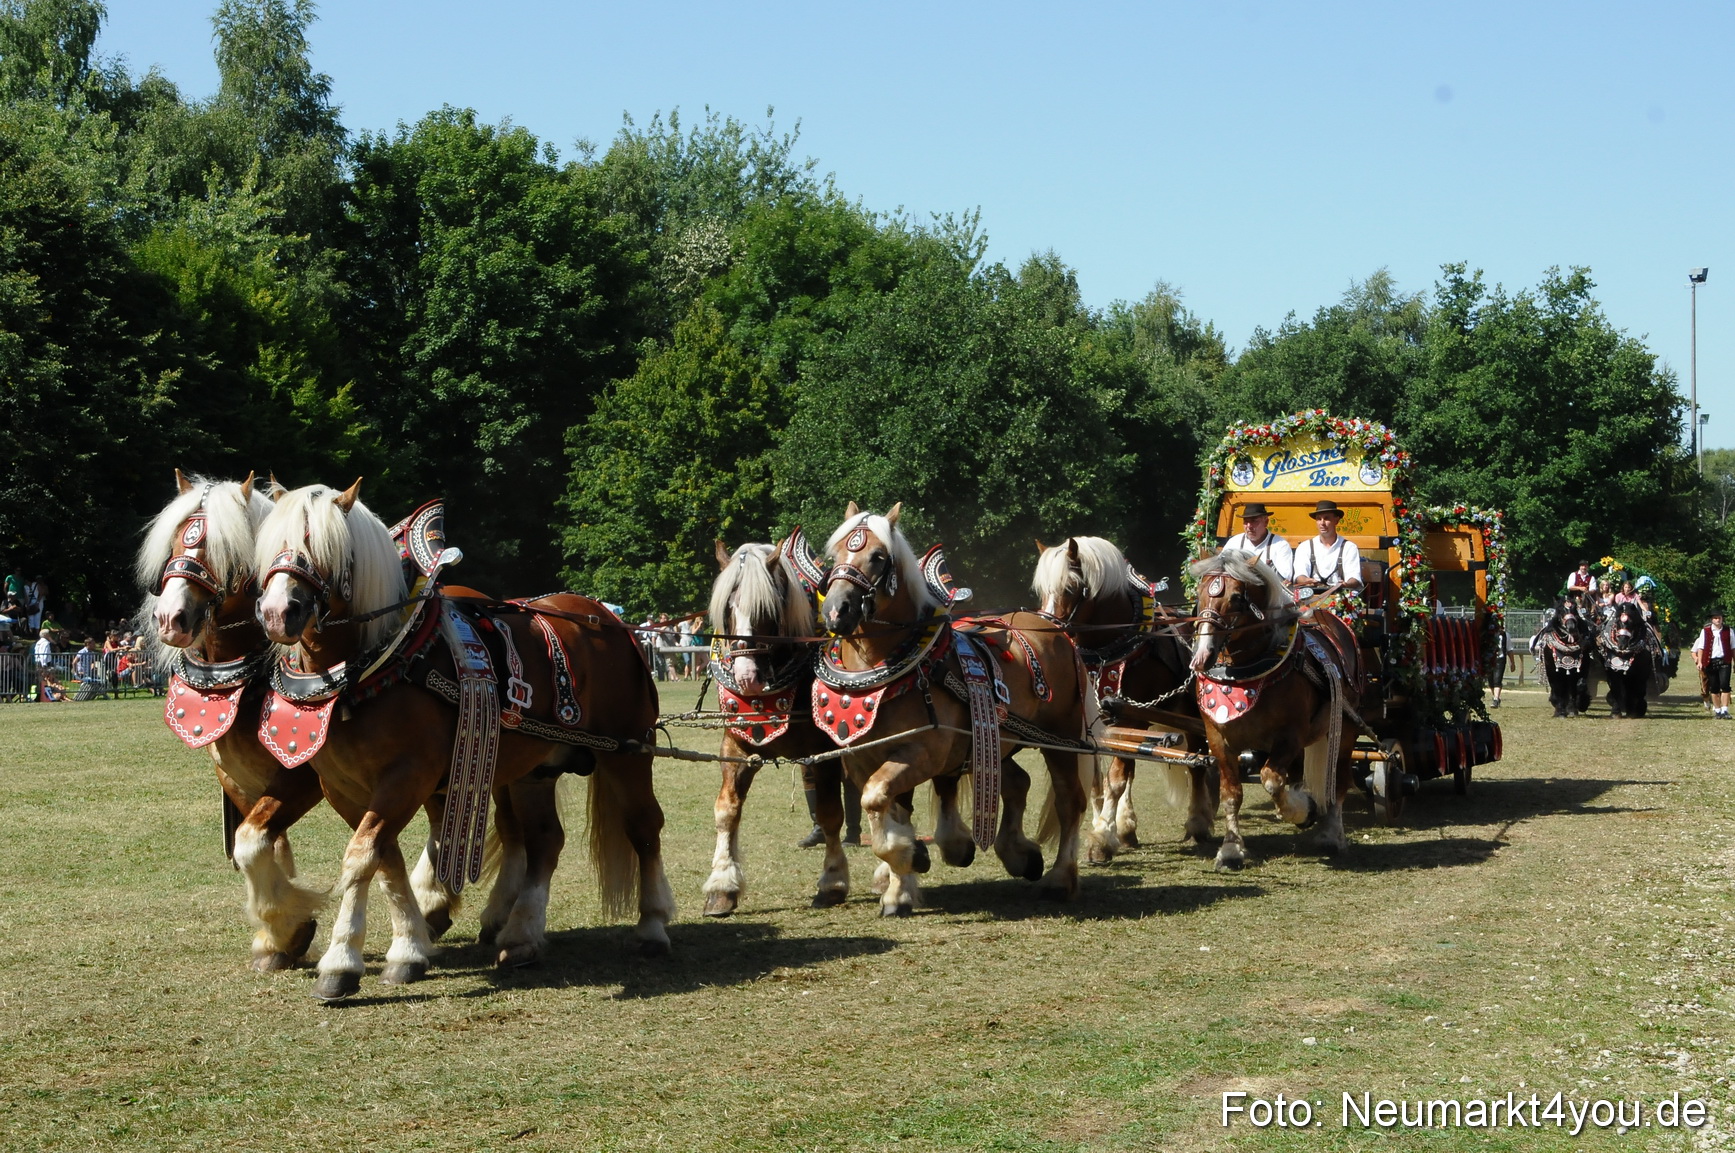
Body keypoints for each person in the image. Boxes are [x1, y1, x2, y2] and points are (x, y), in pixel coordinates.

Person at [1289, 500, 1362, 602]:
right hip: (1311, 598)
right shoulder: (1305, 547)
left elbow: (1354, 577)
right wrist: (1306, 580)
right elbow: (1300, 574)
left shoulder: (1349, 547)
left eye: (1326, 518)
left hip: (1339, 598)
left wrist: (1346, 584)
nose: (1322, 523)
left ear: (1336, 521)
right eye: (1319, 519)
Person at [1220, 502, 1294, 580]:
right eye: (1246, 521)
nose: (1249, 526)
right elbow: (1220, 567)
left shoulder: (1280, 545)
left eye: (1254, 521)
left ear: (1266, 522)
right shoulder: (1234, 542)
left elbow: (1285, 577)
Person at [1692, 609, 1733, 719]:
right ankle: (1718, 711)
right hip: (1710, 661)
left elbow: (1733, 647)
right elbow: (1701, 647)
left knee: (1725, 686)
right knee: (1714, 687)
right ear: (1712, 619)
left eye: (1719, 617)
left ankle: (1725, 710)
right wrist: (1700, 661)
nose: (1717, 620)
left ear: (1722, 618)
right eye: (1715, 618)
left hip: (1725, 661)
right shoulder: (1705, 631)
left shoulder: (1729, 630)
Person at [32, 626, 55, 702]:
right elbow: (44, 654)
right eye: (48, 634)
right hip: (43, 663)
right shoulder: (45, 643)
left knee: (39, 680)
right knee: (44, 680)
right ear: (45, 635)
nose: (49, 635)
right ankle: (43, 696)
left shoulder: (38, 643)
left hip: (38, 662)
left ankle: (39, 695)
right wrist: (44, 665)